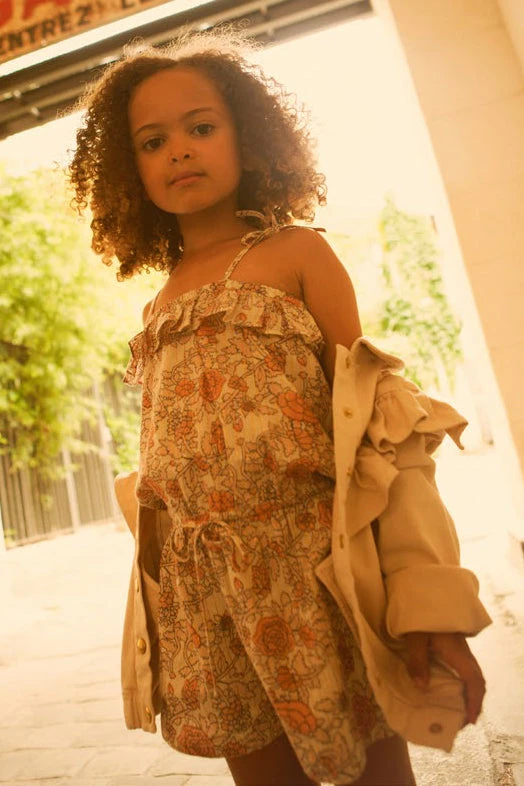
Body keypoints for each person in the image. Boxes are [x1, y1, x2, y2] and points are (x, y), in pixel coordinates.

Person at [69, 28, 491, 786]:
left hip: (316, 578)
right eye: (153, 141)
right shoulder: (158, 306)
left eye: (201, 127)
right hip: (208, 602)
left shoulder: (299, 256)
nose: (179, 150)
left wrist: (427, 604)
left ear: (249, 136)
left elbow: (380, 436)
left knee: (373, 771)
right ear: (130, 172)